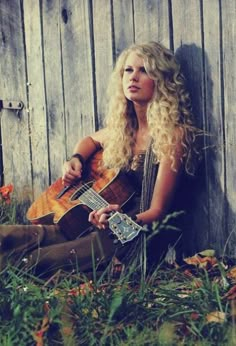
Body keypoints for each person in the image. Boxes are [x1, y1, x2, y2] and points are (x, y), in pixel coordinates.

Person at [0, 41, 199, 278]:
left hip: (127, 237)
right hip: (89, 223)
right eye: (128, 70)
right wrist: (75, 159)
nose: (133, 77)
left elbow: (158, 211)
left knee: (30, 261)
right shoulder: (124, 129)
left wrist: (119, 218)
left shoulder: (172, 135)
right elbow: (90, 141)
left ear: (162, 80)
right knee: (7, 237)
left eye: (144, 70)